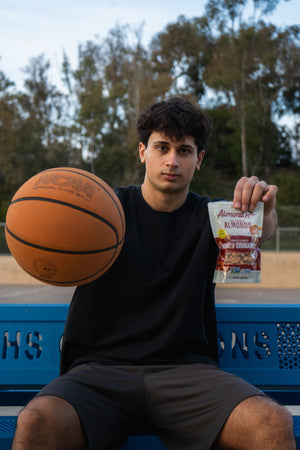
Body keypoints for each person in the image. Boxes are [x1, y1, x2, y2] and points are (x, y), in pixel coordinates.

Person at [12, 98, 295, 450]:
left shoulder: (216, 218)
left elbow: (264, 232)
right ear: (143, 152)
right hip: (98, 373)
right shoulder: (100, 213)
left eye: (185, 150)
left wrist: (265, 209)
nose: (172, 160)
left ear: (199, 159)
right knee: (35, 422)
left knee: (271, 422)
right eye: (162, 147)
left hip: (188, 375)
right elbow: (48, 233)